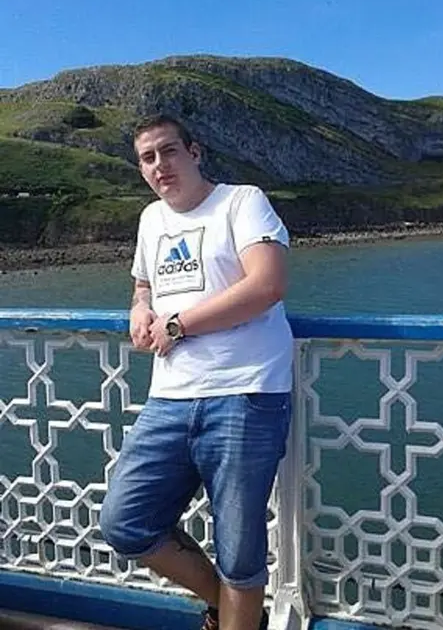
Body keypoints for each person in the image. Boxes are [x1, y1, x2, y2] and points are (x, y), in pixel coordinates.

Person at [99, 114, 294, 630]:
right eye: (147, 158)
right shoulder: (150, 219)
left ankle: (235, 617)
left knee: (239, 549)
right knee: (125, 521)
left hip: (245, 392)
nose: (159, 165)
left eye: (169, 151)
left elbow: (268, 284)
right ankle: (232, 611)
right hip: (170, 397)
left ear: (194, 152)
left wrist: (179, 325)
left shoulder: (241, 202)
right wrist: (140, 308)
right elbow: (144, 284)